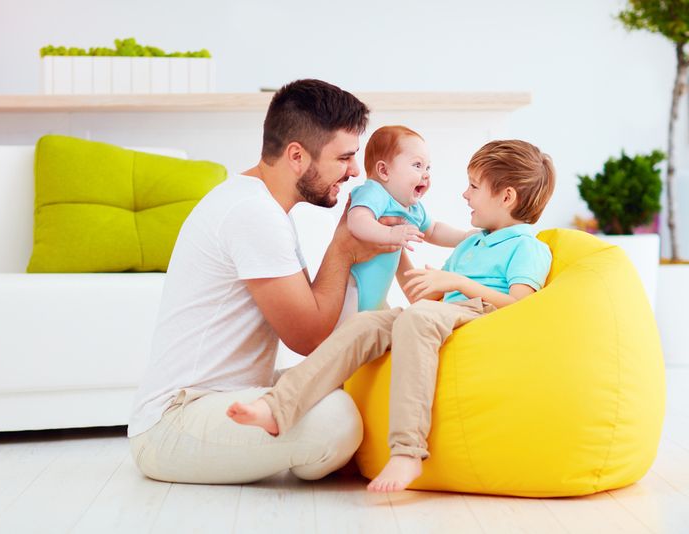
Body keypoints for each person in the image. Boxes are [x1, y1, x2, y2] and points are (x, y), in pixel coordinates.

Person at [227, 139, 556, 492]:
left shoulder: (527, 246)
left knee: (418, 318)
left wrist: (458, 282)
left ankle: (407, 452)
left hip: (478, 316)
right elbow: (424, 299)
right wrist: (400, 255)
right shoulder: (472, 243)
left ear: (507, 197)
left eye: (474, 187)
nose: (465, 194)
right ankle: (279, 407)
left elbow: (520, 304)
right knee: (365, 324)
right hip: (441, 314)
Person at [128, 79, 404, 484]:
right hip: (174, 422)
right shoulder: (252, 213)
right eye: (344, 157)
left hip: (229, 398)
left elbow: (318, 320)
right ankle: (304, 453)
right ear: (297, 155)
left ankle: (286, 447)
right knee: (338, 419)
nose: (355, 171)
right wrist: (343, 248)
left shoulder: (263, 206)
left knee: (343, 384)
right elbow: (308, 337)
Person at [342, 125, 474, 318]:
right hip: (350, 292)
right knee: (349, 329)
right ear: (384, 171)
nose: (426, 174)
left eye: (428, 167)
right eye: (417, 165)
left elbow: (433, 230)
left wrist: (464, 237)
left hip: (376, 299)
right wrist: (390, 234)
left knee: (381, 324)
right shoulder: (374, 192)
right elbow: (357, 221)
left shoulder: (412, 208)